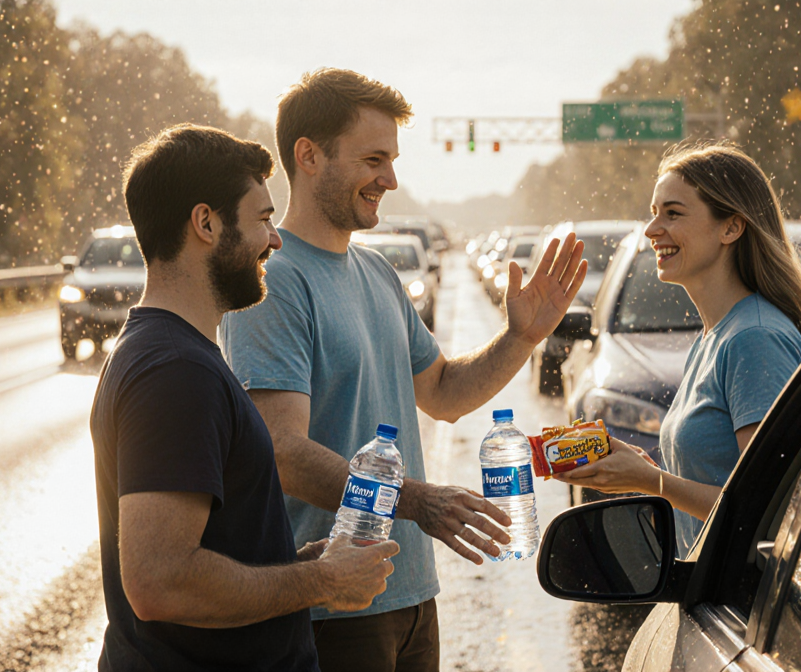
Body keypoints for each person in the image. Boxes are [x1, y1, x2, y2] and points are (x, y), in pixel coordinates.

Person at [219, 68, 587, 672]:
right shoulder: (276, 282)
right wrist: (416, 501)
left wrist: (522, 337)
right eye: (372, 159)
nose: (389, 179)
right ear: (308, 156)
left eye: (391, 160)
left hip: (412, 594)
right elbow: (281, 452)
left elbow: (443, 393)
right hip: (333, 605)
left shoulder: (378, 274)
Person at [90, 124, 399, 671]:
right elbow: (159, 581)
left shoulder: (171, 352)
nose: (275, 239)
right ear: (206, 223)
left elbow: (205, 547)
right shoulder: (175, 371)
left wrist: (289, 563)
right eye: (261, 219)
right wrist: (320, 580)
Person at [557, 142, 801, 554]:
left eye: (673, 213)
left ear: (731, 228)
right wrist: (643, 469)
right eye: (654, 212)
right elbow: (722, 479)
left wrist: (651, 482)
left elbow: (770, 513)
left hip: (744, 607)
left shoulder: (755, 339)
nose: (651, 229)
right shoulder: (714, 335)